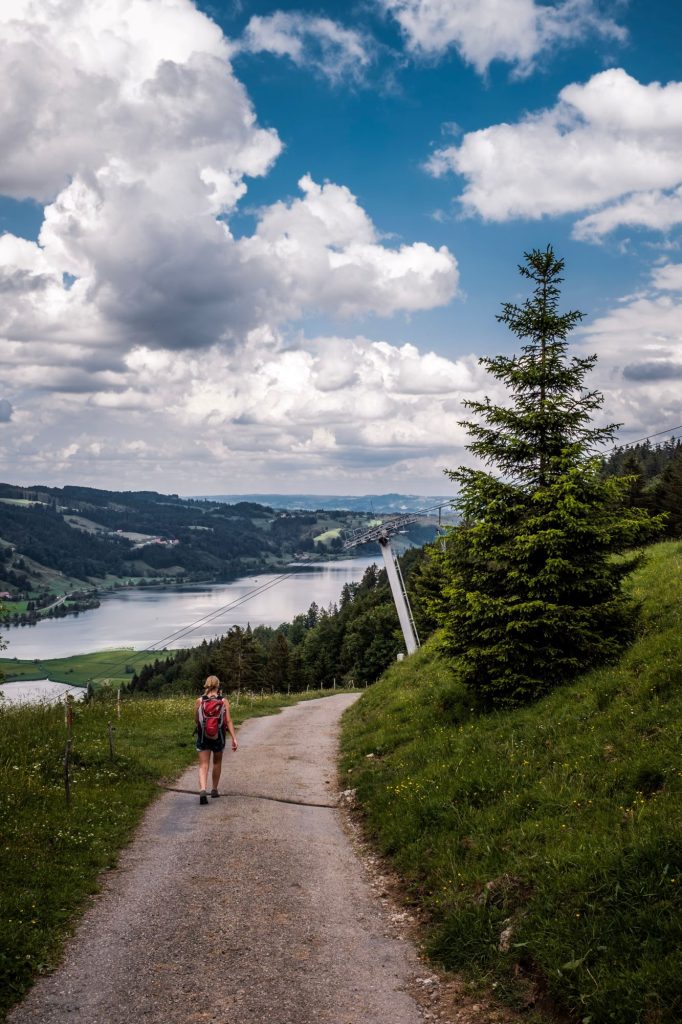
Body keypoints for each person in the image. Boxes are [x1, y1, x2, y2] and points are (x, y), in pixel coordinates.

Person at [195, 675, 238, 805]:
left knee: (203, 764)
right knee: (217, 762)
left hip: (203, 736)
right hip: (219, 736)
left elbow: (196, 721)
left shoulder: (199, 701)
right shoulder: (224, 701)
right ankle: (214, 790)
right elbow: (228, 721)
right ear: (218, 685)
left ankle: (203, 790)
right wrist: (234, 738)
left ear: (206, 685)